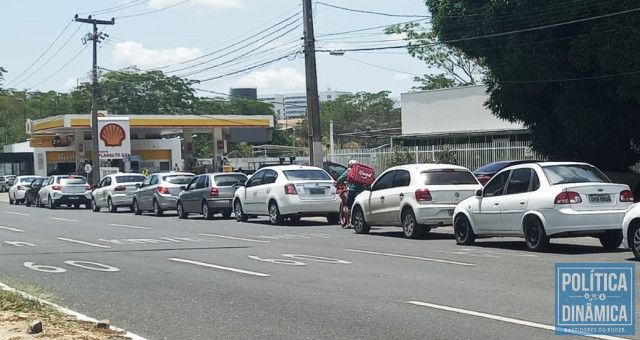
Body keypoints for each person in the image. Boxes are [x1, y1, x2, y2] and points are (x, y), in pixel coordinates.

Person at [336, 160, 367, 229]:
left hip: (352, 190)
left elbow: (341, 178)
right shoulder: (361, 171)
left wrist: (337, 182)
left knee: (347, 206)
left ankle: (348, 223)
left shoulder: (350, 170)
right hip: (362, 190)